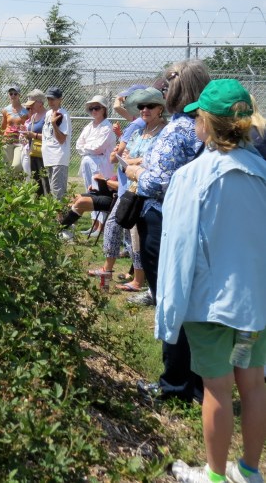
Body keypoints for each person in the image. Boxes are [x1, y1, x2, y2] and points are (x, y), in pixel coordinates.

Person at [155, 80, 266, 483]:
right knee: (253, 384)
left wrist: (169, 308)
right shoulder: (262, 172)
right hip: (253, 304)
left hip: (209, 306)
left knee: (217, 389)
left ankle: (215, 476)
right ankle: (250, 472)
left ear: (205, 122)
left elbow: (178, 246)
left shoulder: (191, 177)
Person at [124, 59, 211, 404]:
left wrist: (135, 174)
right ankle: (197, 382)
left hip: (164, 218)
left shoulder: (179, 128)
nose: (161, 88)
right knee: (192, 301)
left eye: (166, 84)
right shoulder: (202, 125)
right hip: (191, 219)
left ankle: (175, 385)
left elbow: (159, 179)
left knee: (171, 301)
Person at [86, 88, 166, 293]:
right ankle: (109, 268)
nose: (144, 110)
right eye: (141, 106)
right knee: (115, 224)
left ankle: (139, 280)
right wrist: (132, 161)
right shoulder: (140, 131)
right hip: (130, 188)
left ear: (160, 109)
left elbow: (151, 160)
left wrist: (132, 161)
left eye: (150, 106)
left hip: (149, 191)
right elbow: (123, 156)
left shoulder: (164, 131)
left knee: (136, 234)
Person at [75, 95, 116, 237]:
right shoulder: (89, 126)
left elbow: (98, 148)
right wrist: (88, 148)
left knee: (101, 193)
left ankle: (101, 227)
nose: (94, 111)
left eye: (97, 108)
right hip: (88, 162)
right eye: (91, 108)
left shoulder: (107, 127)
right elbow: (78, 144)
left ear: (104, 109)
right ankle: (94, 225)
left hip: (101, 163)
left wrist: (87, 147)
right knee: (90, 191)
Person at [41, 87, 71, 205]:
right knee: (53, 190)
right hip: (49, 156)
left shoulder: (63, 115)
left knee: (58, 191)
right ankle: (58, 218)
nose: (50, 101)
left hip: (58, 157)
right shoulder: (48, 113)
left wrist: (54, 124)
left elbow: (62, 139)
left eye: (53, 99)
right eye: (48, 99)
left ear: (60, 99)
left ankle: (62, 220)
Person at [19, 89, 49, 195]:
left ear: (40, 103)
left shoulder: (47, 116)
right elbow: (30, 135)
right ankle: (38, 205)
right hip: (33, 152)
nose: (30, 107)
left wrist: (33, 135)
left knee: (45, 181)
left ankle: (47, 205)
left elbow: (49, 136)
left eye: (32, 104)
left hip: (44, 154)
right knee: (36, 181)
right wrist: (26, 135)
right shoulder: (33, 116)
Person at [0, 85, 29, 170]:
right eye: (11, 93)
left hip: (19, 141)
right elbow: (3, 125)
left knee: (17, 165)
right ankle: (8, 183)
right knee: (6, 166)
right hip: (7, 140)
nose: (13, 96)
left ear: (19, 95)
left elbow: (28, 125)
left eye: (15, 94)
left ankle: (18, 180)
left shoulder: (25, 111)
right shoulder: (5, 110)